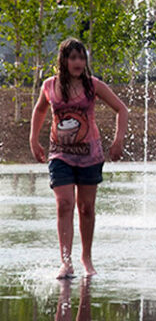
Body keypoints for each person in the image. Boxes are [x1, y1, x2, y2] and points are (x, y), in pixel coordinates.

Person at [28, 37, 128, 278]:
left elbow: (121, 109)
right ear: (64, 60)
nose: (78, 62)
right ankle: (65, 261)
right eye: (73, 57)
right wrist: (33, 139)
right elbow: (40, 109)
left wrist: (118, 140)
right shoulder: (50, 86)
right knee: (64, 204)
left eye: (82, 57)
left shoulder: (93, 85)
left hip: (90, 156)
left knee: (86, 208)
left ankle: (86, 258)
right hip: (60, 155)